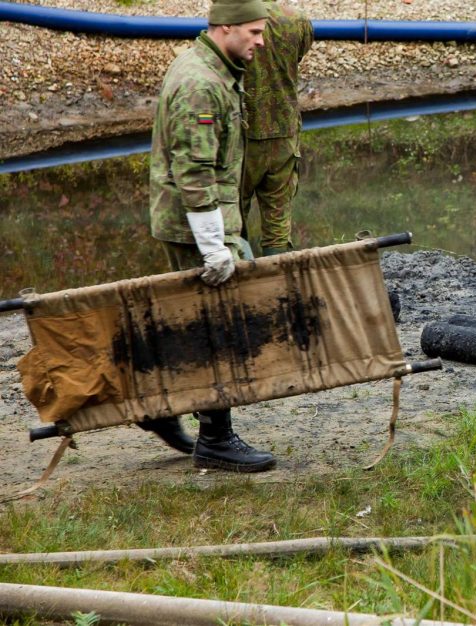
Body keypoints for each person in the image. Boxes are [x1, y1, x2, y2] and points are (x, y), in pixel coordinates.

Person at [147, 0, 276, 472]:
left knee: (194, 324)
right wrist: (213, 245)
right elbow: (195, 171)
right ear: (226, 28)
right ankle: (216, 440)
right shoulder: (201, 82)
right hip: (192, 225)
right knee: (212, 330)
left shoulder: (215, 68)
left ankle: (158, 409)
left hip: (201, 221)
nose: (261, 42)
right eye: (255, 32)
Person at [240, 0, 313, 256]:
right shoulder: (297, 20)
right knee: (278, 224)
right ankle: (279, 285)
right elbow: (298, 57)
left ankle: (240, 282)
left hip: (244, 136)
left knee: (233, 219)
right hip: (283, 132)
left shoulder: (236, 19)